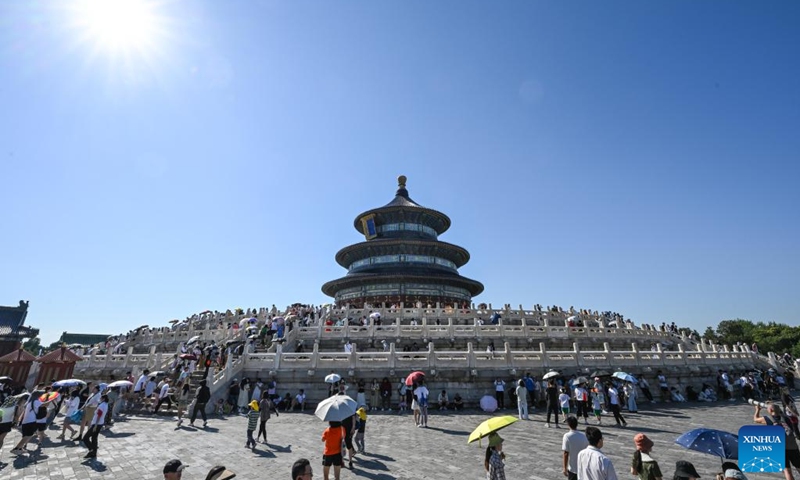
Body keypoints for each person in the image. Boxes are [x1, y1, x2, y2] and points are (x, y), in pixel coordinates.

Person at [754, 402, 800, 480]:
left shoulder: (768, 419)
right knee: (799, 467)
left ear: (771, 410)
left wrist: (757, 410)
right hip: (792, 446)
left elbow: (755, 419)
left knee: (787, 470)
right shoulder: (786, 418)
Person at [82, 394, 109, 458]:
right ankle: (94, 453)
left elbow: (99, 415)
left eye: (101, 398)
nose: (100, 399)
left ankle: (92, 450)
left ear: (103, 399)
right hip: (100, 423)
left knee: (85, 438)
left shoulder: (101, 406)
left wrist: (95, 426)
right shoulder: (105, 405)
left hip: (96, 424)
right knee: (94, 438)